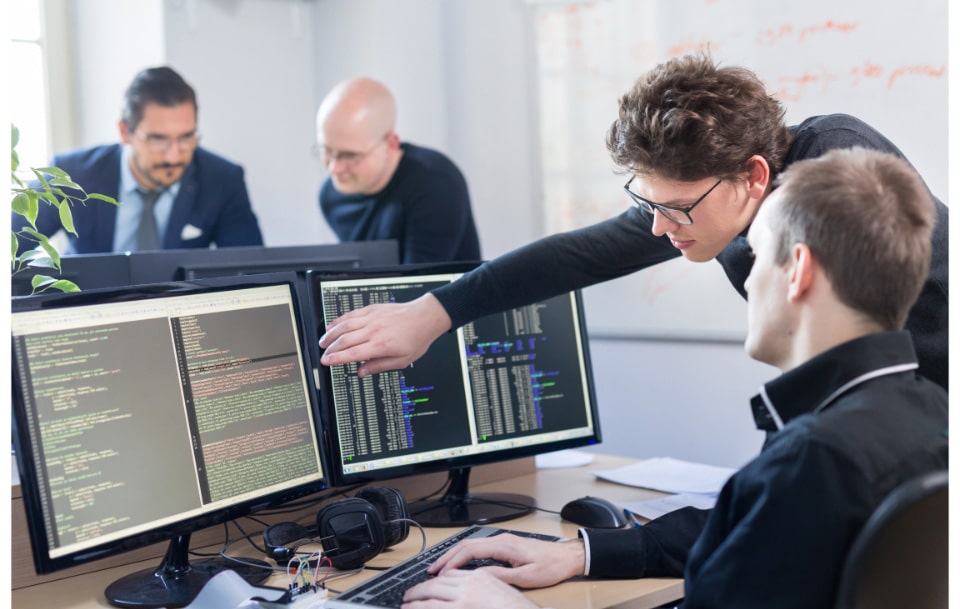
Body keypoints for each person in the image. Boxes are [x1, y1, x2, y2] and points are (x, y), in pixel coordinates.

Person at [398, 147, 949, 609]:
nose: (748, 278)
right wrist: (586, 552)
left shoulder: (812, 462)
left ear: (798, 270)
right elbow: (759, 536)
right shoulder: (930, 416)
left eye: (756, 254)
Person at [317, 54, 948, 390]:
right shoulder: (711, 202)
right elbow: (582, 254)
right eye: (651, 204)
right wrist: (434, 313)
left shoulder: (834, 174)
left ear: (754, 178)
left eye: (675, 210)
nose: (657, 229)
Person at [14, 66, 263, 253]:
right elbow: (10, 248)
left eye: (186, 137)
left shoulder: (222, 179)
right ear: (125, 132)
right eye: (158, 139)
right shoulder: (71, 174)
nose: (174, 155)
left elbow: (252, 273)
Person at [315, 77, 481, 264]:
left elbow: (422, 285)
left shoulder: (436, 183)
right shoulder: (331, 196)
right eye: (326, 151)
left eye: (350, 156)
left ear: (390, 144)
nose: (334, 168)